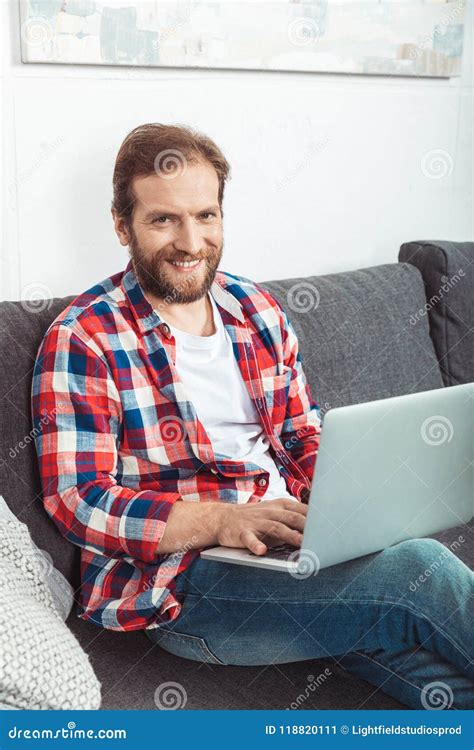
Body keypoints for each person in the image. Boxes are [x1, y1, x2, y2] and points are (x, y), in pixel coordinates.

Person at [31, 123, 474, 710]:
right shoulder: (84, 336)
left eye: (206, 216)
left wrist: (350, 497)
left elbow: (300, 431)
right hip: (188, 585)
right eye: (164, 220)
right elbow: (77, 499)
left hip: (298, 547)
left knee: (439, 675)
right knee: (421, 569)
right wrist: (218, 521)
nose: (191, 241)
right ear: (122, 225)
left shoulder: (255, 309)